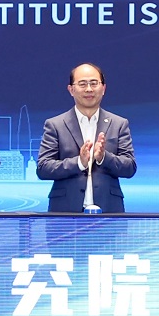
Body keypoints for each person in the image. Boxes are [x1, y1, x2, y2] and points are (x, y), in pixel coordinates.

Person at [36, 62, 136, 213]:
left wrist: (104, 157)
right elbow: (43, 168)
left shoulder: (119, 124)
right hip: (65, 213)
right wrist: (79, 163)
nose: (89, 89)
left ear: (103, 88)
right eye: (82, 84)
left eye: (94, 83)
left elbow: (130, 168)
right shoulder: (55, 125)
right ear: (71, 89)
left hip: (109, 211)